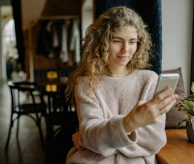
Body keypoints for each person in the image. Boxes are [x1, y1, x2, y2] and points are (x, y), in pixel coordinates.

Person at [64, 6, 179, 164]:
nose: (126, 50)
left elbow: (155, 141)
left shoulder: (149, 80)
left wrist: (94, 140)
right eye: (117, 40)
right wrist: (130, 123)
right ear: (102, 42)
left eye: (132, 42)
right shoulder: (86, 82)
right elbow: (91, 135)